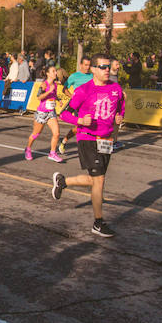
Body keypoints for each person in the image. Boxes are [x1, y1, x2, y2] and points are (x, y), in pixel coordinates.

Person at [51, 53, 125, 238]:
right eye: (103, 67)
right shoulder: (84, 90)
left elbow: (120, 107)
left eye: (109, 67)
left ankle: (63, 181)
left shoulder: (116, 88)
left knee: (95, 180)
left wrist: (119, 118)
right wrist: (80, 121)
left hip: (106, 139)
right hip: (87, 137)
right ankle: (98, 223)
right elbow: (64, 114)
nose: (107, 70)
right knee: (99, 180)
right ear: (93, 69)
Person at [25, 66, 63, 162]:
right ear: (48, 73)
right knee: (36, 134)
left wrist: (58, 100)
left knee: (57, 133)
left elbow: (53, 95)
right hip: (42, 113)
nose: (55, 73)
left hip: (51, 113)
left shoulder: (55, 84)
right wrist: (49, 91)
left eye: (55, 71)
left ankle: (52, 153)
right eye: (53, 71)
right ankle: (28, 149)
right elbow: (39, 97)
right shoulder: (44, 84)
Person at [58, 56, 94, 154]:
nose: (87, 67)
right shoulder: (74, 76)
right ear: (81, 65)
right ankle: (65, 140)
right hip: (79, 106)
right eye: (85, 65)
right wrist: (72, 97)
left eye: (89, 65)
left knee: (92, 126)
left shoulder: (92, 76)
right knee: (80, 127)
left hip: (91, 106)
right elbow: (64, 89)